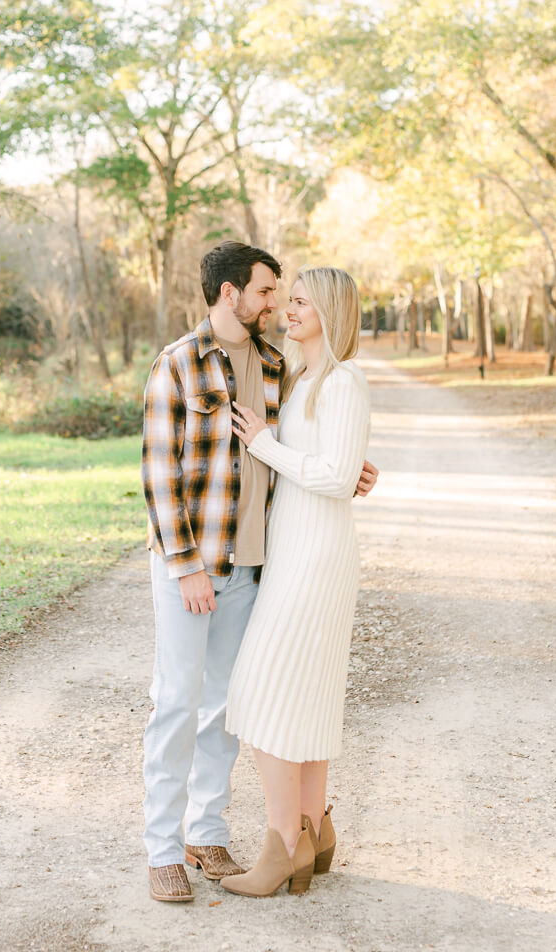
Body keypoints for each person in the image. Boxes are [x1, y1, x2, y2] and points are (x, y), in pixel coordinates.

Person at [141, 245, 378, 903]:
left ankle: (209, 834)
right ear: (229, 294)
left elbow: (303, 451)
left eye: (286, 295)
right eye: (269, 292)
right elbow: (160, 476)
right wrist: (186, 566)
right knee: (178, 704)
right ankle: (163, 850)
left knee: (228, 706)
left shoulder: (279, 368)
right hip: (193, 568)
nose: (275, 304)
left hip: (258, 568)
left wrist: (349, 468)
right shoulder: (178, 364)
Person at [222, 266, 371, 898]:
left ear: (331, 311)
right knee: (301, 696)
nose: (289, 309)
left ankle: (284, 844)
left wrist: (263, 443)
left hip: (316, 558)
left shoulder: (342, 381)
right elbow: (337, 467)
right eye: (288, 300)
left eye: (302, 301)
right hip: (295, 550)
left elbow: (335, 478)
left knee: (260, 692)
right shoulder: (303, 376)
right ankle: (314, 828)